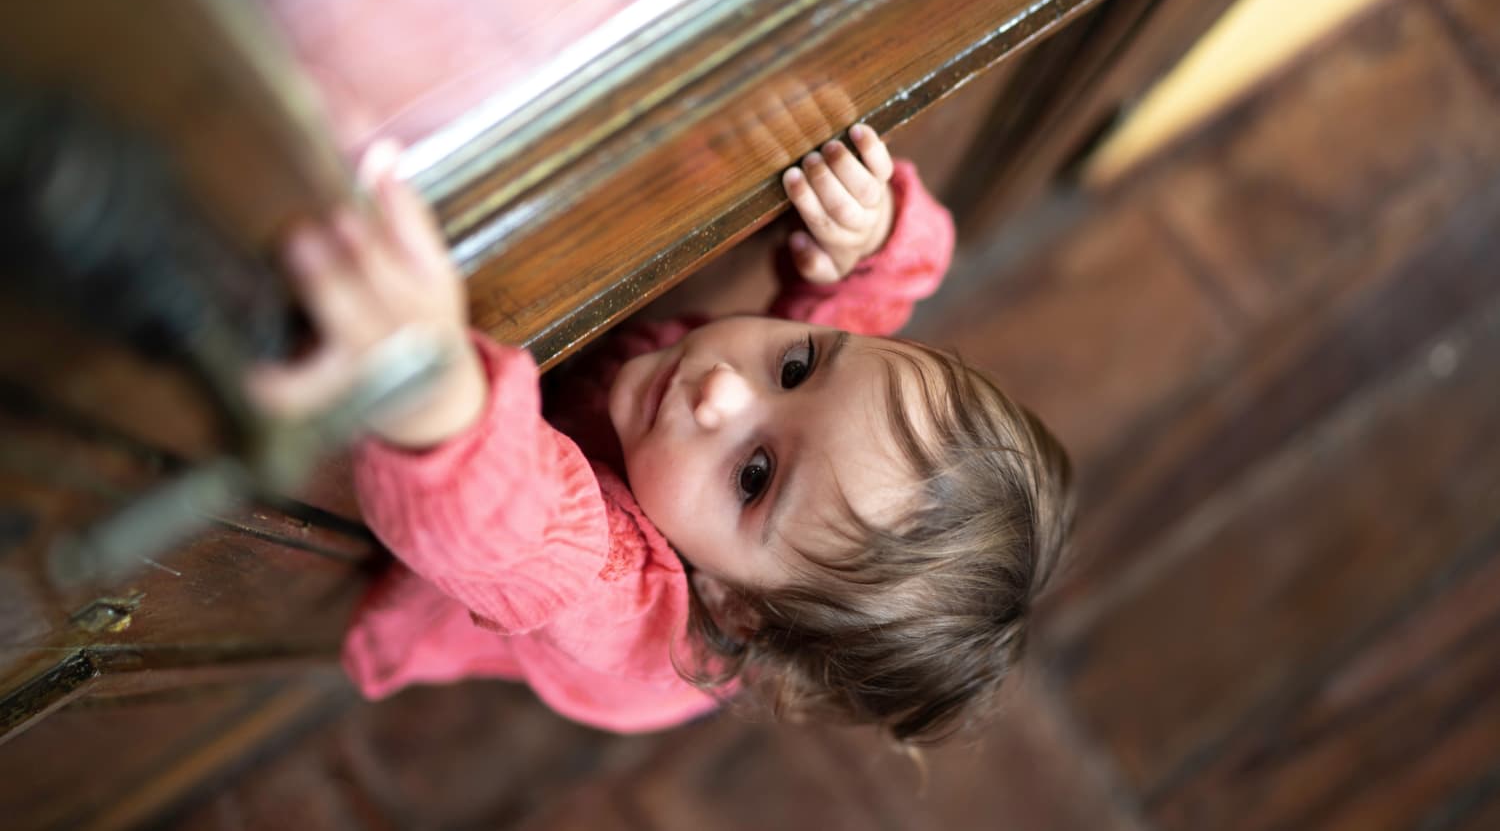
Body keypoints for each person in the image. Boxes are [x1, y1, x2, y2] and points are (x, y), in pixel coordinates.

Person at [248, 125, 1074, 744]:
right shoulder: (798, 464)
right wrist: (872, 235)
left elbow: (506, 529)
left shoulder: (625, 600)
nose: (721, 388)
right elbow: (867, 313)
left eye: (754, 476)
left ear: (734, 605)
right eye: (795, 366)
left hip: (506, 590)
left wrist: (428, 379)